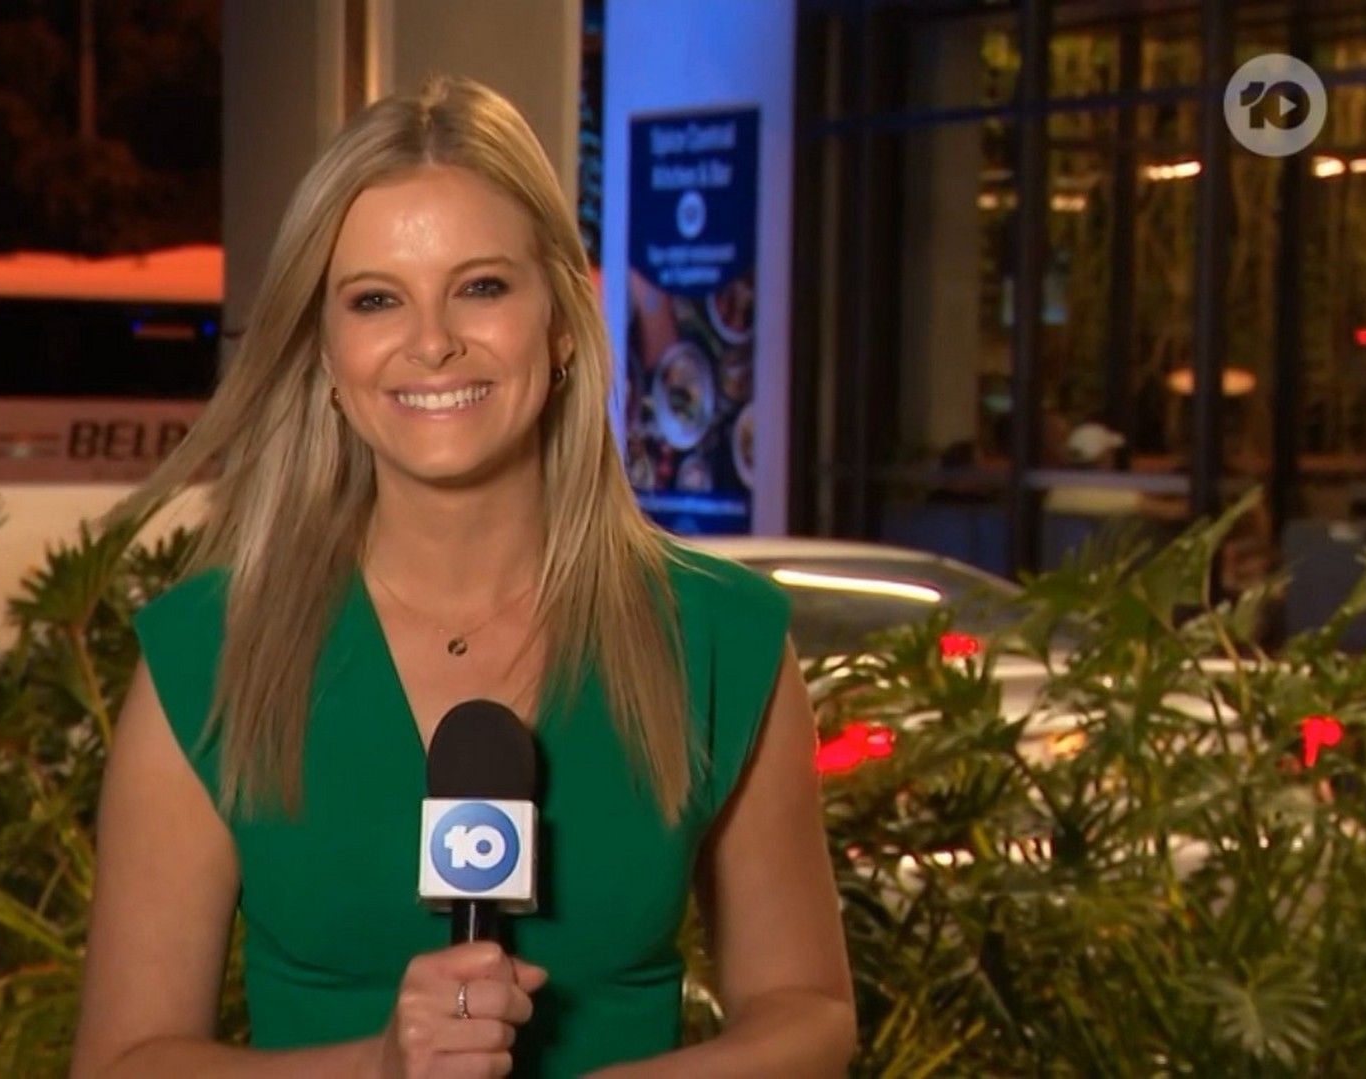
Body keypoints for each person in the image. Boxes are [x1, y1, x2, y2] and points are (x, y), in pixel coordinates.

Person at [71, 74, 854, 1078]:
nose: (433, 341)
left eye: (481, 286)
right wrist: (376, 1066)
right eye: (376, 299)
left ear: (560, 320)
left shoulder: (718, 638)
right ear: (324, 353)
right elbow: (123, 1060)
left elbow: (809, 1011)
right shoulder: (209, 655)